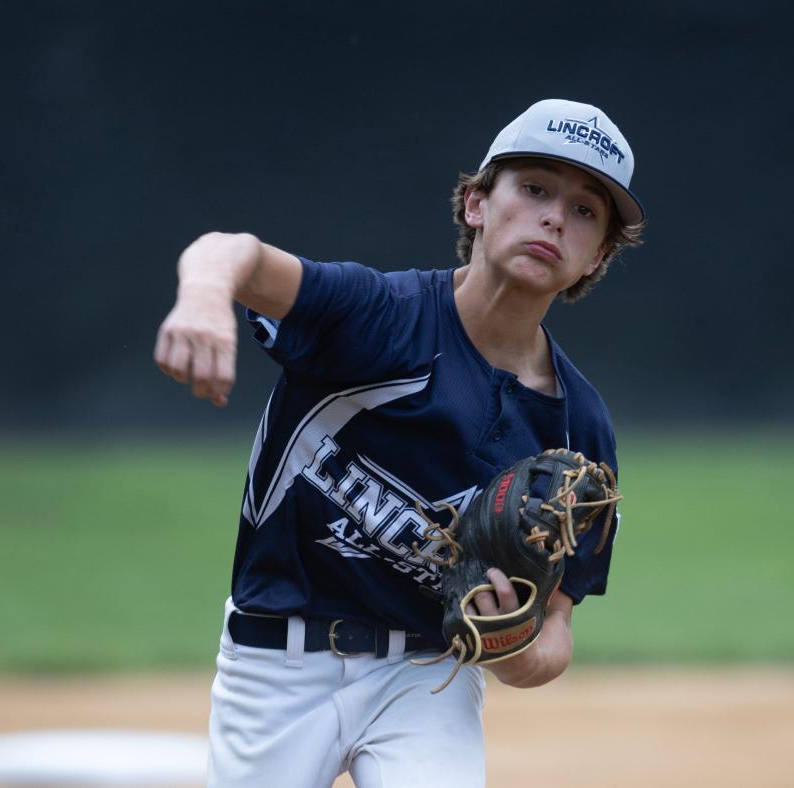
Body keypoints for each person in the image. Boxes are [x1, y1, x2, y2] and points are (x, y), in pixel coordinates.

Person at [155, 98, 646, 788]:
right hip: (278, 663)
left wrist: (515, 648)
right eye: (534, 188)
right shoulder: (379, 318)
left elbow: (557, 629)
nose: (555, 218)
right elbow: (228, 252)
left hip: (428, 680)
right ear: (476, 203)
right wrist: (204, 295)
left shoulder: (578, 426)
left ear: (596, 257)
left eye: (586, 211)